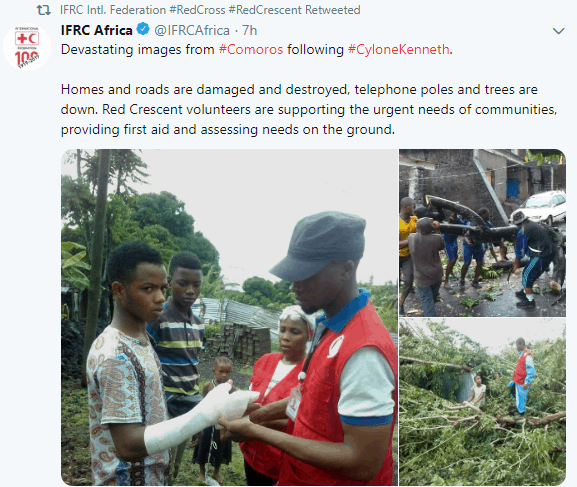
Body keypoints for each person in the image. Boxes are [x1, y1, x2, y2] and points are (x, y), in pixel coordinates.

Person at [219, 211, 398, 486]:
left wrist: (257, 432)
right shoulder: (329, 326)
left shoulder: (364, 350)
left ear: (346, 269)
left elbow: (361, 463)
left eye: (306, 274)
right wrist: (258, 415)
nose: (294, 286)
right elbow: (309, 396)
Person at [86, 241, 259, 486]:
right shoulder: (116, 355)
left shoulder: (141, 339)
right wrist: (204, 413)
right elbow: (127, 445)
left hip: (152, 475)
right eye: (147, 288)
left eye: (161, 288)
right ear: (119, 290)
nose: (159, 297)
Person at [146, 251, 205, 484]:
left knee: (175, 465)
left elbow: (193, 367)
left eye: (196, 285)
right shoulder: (157, 319)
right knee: (159, 461)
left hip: (189, 405)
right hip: (164, 407)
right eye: (183, 283)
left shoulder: (199, 325)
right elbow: (146, 363)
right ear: (169, 282)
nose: (190, 290)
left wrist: (198, 413)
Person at [240, 305, 315, 486]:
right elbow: (251, 396)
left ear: (309, 335)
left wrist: (258, 424)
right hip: (250, 452)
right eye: (282, 330)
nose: (285, 337)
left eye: (295, 332)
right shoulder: (266, 360)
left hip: (279, 459)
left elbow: (301, 421)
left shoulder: (310, 371)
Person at [193, 357, 235, 483]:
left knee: (220, 447)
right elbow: (201, 403)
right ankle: (202, 472)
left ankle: (216, 471)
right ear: (214, 371)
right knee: (203, 446)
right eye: (221, 371)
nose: (224, 375)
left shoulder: (231, 388)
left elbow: (234, 405)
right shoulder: (208, 386)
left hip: (221, 424)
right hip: (207, 423)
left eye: (228, 372)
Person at [511, 210, 558, 308]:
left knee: (527, 275)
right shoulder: (532, 224)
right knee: (530, 273)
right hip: (549, 252)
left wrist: (516, 264)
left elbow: (520, 251)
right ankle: (525, 292)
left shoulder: (522, 231)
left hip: (541, 255)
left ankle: (529, 301)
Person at [408, 217, 445, 317]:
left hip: (421, 278)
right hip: (436, 275)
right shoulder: (437, 238)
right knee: (431, 298)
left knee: (427, 301)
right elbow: (442, 246)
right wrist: (437, 229)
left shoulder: (412, 238)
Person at [460, 208, 495, 289]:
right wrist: (468, 241)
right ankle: (462, 280)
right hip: (468, 246)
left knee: (479, 263)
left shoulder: (488, 224)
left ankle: (475, 281)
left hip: (479, 245)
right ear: (482, 215)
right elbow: (464, 235)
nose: (488, 215)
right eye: (487, 214)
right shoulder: (471, 223)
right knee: (467, 263)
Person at [508, 337, 536, 420]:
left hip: (522, 382)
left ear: (522, 344)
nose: (516, 348)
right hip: (517, 380)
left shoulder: (527, 355)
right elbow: (520, 368)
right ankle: (517, 408)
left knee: (521, 397)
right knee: (513, 392)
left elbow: (531, 370)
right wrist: (513, 380)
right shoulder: (521, 354)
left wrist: (527, 382)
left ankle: (521, 414)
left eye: (517, 346)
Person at [399, 197, 417, 316]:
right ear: (405, 208)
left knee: (409, 281)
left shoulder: (414, 219)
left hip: (408, 256)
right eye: (412, 206)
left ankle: (401, 304)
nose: (414, 209)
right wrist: (410, 239)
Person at [441, 211, 465, 287]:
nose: (451, 217)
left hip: (454, 241)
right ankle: (446, 280)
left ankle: (450, 270)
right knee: (451, 260)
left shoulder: (459, 221)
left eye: (453, 216)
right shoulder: (446, 224)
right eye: (451, 216)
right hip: (447, 242)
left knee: (455, 257)